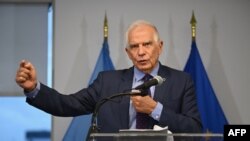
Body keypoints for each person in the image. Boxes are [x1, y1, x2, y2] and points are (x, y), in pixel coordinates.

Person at [15, 20, 202, 135]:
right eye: (135, 46)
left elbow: (194, 128)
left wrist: (155, 109)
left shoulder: (181, 81)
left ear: (160, 46)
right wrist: (33, 88)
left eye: (147, 44)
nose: (141, 52)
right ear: (127, 52)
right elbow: (67, 104)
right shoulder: (107, 82)